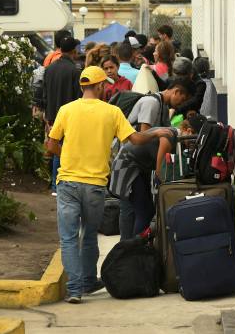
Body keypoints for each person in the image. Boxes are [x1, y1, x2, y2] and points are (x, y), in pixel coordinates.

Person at [46, 66, 173, 304]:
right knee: (89, 234)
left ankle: (75, 290)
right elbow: (135, 139)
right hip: (95, 185)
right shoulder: (112, 112)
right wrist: (157, 133)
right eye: (104, 85)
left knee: (69, 238)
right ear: (100, 86)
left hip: (68, 183)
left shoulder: (66, 110)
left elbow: (51, 145)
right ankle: (88, 281)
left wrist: (69, 157)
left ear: (83, 86)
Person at [118, 77, 196, 239]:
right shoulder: (151, 103)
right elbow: (144, 135)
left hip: (140, 163)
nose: (180, 104)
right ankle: (129, 247)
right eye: (182, 99)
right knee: (134, 209)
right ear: (176, 91)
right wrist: (161, 174)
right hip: (129, 162)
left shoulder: (163, 106)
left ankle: (131, 245)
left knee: (143, 209)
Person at [43, 36, 83, 195]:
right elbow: (78, 96)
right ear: (74, 51)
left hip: (52, 115)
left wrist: (47, 116)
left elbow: (45, 93)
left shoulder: (49, 68)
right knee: (66, 149)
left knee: (55, 148)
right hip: (69, 116)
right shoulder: (75, 71)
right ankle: (59, 184)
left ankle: (54, 184)